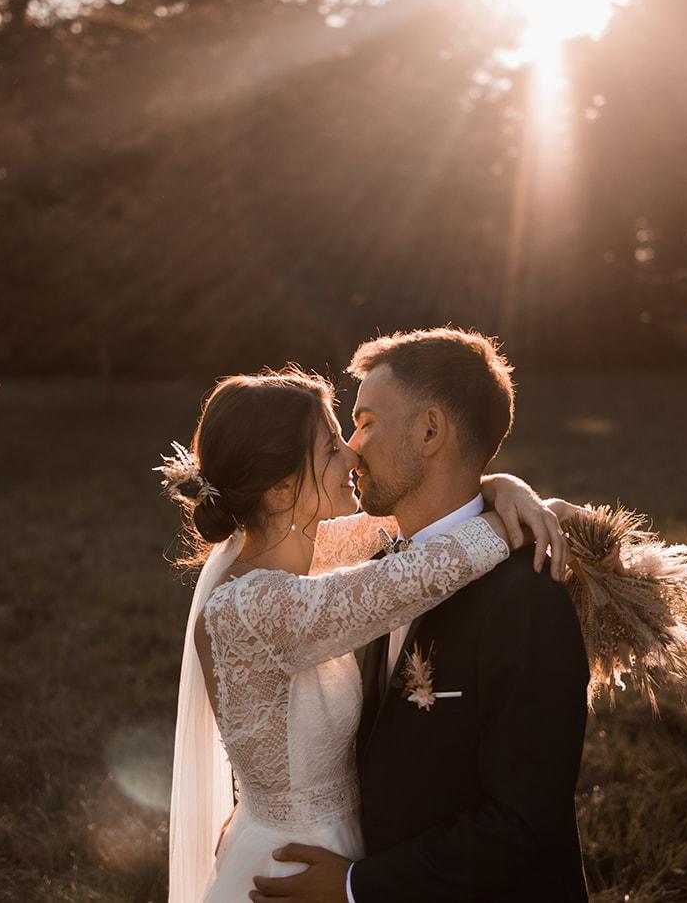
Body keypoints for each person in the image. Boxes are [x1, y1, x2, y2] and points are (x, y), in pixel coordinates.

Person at [161, 360, 575, 903]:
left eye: (360, 426)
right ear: (285, 490)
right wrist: (516, 518)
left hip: (340, 850)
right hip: (291, 868)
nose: (352, 451)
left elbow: (409, 526)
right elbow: (416, 573)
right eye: (334, 445)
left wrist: (502, 486)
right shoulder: (253, 605)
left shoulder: (292, 552)